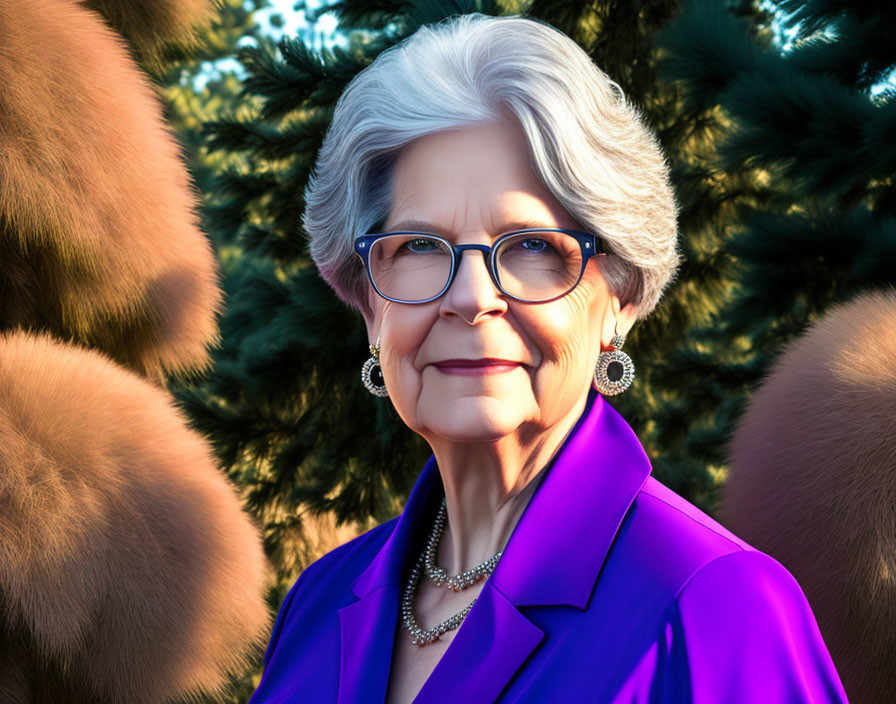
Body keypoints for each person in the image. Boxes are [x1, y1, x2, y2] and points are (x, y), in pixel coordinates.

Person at [248, 13, 849, 704]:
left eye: (532, 246)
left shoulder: (712, 600)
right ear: (368, 303)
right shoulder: (321, 600)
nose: (471, 299)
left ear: (618, 295)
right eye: (417, 247)